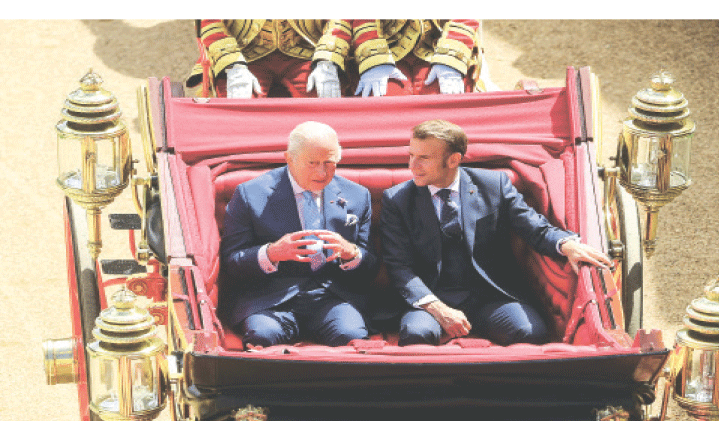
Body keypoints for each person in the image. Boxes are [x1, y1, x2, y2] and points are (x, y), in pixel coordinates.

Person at [380, 120, 613, 346]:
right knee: (416, 334)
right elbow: (400, 267)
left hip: (490, 297)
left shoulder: (494, 185)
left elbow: (534, 228)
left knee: (529, 332)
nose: (412, 165)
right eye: (411, 155)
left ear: (454, 160)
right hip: (432, 299)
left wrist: (566, 245)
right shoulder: (397, 200)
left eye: (423, 158)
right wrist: (438, 308)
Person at [219, 121, 377, 347]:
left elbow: (370, 265)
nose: (322, 173)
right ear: (289, 158)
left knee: (351, 337)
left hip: (332, 297)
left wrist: (351, 253)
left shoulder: (357, 195)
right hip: (269, 300)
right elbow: (232, 262)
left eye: (329, 163)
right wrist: (272, 253)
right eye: (312, 163)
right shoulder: (250, 194)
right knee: (262, 336)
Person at [186, 20, 351, 98]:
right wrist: (233, 65)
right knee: (238, 107)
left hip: (306, 52)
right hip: (244, 55)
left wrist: (326, 60)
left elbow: (337, 19)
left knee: (324, 102)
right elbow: (211, 22)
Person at [346, 20, 485, 97]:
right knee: (380, 104)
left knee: (447, 104)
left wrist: (451, 59)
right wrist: (374, 59)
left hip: (438, 45)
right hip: (385, 47)